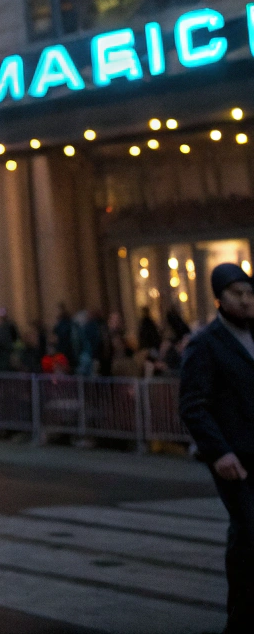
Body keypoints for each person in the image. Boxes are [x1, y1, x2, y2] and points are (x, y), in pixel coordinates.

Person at [180, 262, 254, 630]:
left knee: (248, 536)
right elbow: (193, 405)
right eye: (237, 295)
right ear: (219, 300)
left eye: (249, 293)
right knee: (249, 532)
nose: (245, 301)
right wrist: (219, 452)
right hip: (235, 458)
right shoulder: (206, 344)